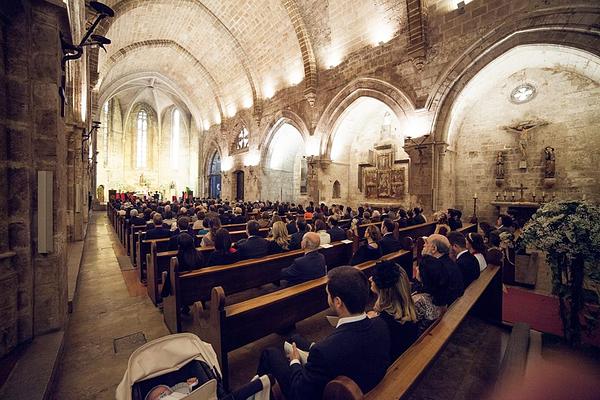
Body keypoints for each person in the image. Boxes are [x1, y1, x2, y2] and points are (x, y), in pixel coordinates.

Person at [257, 267, 391, 399]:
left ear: (337, 302)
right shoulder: (380, 324)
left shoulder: (325, 351)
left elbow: (299, 393)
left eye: (328, 294)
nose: (327, 297)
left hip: (330, 390)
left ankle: (260, 392)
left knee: (270, 353)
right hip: (363, 380)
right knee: (295, 338)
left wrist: (295, 362)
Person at [368, 260, 418, 359]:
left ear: (383, 290)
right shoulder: (407, 309)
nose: (370, 279)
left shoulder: (381, 324)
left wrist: (373, 321)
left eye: (374, 277)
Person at [422, 234, 464, 304]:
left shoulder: (436, 268)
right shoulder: (448, 262)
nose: (423, 245)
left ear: (434, 249)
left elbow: (429, 292)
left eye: (426, 243)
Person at [413, 255, 447, 333]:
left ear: (424, 276)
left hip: (419, 337)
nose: (416, 268)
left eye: (419, 267)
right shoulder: (440, 288)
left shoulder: (419, 301)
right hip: (432, 326)